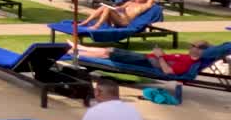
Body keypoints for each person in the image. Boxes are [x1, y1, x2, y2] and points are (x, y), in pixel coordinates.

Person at [78, 40, 210, 76]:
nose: (190, 46)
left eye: (193, 45)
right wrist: (161, 53)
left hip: (147, 62)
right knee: (110, 51)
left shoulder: (188, 63)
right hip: (147, 58)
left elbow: (168, 71)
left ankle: (80, 51)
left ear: (199, 50)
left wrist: (159, 57)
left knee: (110, 52)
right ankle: (80, 49)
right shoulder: (187, 57)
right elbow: (168, 60)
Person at [80, 0, 157, 29]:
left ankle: (96, 26)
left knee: (107, 9)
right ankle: (86, 21)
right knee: (105, 6)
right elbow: (121, 8)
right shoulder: (129, 3)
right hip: (119, 18)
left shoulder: (145, 5)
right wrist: (118, 8)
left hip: (125, 22)